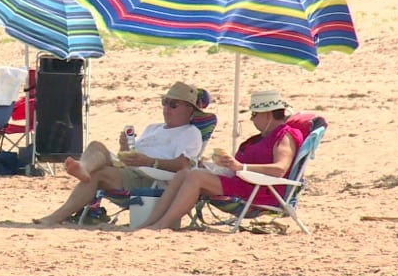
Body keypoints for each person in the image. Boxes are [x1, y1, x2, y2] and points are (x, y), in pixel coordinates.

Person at [33, 81, 204, 226]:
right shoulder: (153, 128)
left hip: (150, 176)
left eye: (173, 105)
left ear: (189, 110)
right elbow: (131, 154)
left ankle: (56, 216)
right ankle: (84, 168)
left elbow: (184, 165)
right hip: (131, 167)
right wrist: (125, 148)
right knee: (96, 145)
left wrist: (149, 161)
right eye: (165, 102)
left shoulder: (190, 133)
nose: (167, 108)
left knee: (97, 175)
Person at [138, 89, 304, 230]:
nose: (252, 119)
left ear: (268, 115)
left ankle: (163, 225)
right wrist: (218, 165)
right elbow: (237, 167)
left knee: (196, 176)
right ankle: (151, 222)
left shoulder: (285, 136)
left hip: (260, 190)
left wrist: (241, 167)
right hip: (243, 182)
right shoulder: (259, 138)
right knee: (184, 173)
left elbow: (279, 169)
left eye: (254, 115)